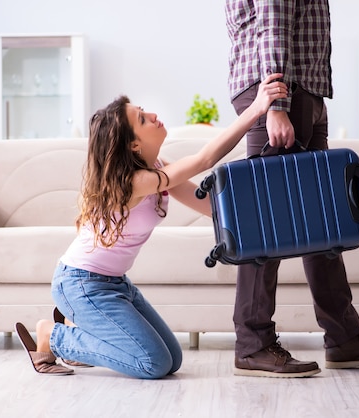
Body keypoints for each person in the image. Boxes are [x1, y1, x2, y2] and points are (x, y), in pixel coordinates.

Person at [15, 73, 289, 378]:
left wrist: (268, 215)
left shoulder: (156, 168)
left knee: (172, 359)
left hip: (115, 284)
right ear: (133, 144)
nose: (154, 116)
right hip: (81, 284)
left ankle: (79, 330)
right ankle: (53, 337)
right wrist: (256, 110)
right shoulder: (135, 182)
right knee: (153, 363)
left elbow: (210, 205)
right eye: (143, 119)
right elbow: (204, 158)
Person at [225, 0, 359, 378]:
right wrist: (276, 105)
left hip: (303, 92)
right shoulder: (276, 98)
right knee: (266, 224)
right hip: (279, 93)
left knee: (323, 221)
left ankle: (344, 337)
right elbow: (272, 21)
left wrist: (311, 102)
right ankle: (253, 343)